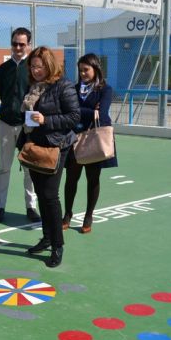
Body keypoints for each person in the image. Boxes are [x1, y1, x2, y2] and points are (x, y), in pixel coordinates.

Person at [21, 47, 80, 267]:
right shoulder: (34, 87)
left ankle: (57, 245)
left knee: (50, 195)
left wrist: (46, 120)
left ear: (49, 65)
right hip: (36, 145)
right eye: (32, 66)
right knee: (41, 193)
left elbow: (74, 117)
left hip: (57, 146)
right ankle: (46, 237)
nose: (35, 70)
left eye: (39, 66)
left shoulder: (63, 86)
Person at [63, 53, 117, 234]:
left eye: (86, 70)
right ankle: (67, 214)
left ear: (95, 69)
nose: (83, 73)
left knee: (93, 179)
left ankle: (88, 215)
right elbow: (69, 111)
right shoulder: (73, 88)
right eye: (80, 70)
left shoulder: (105, 89)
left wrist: (79, 111)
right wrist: (87, 111)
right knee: (71, 178)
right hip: (74, 139)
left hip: (95, 138)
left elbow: (102, 114)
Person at [0, 27, 39, 224]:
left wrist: (29, 124)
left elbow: (35, 98)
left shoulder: (33, 69)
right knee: (4, 167)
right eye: (14, 44)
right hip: (5, 123)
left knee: (29, 168)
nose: (18, 47)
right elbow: (4, 95)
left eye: (22, 44)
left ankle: (31, 207)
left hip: (27, 125)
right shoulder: (3, 70)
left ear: (28, 45)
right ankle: (0, 207)